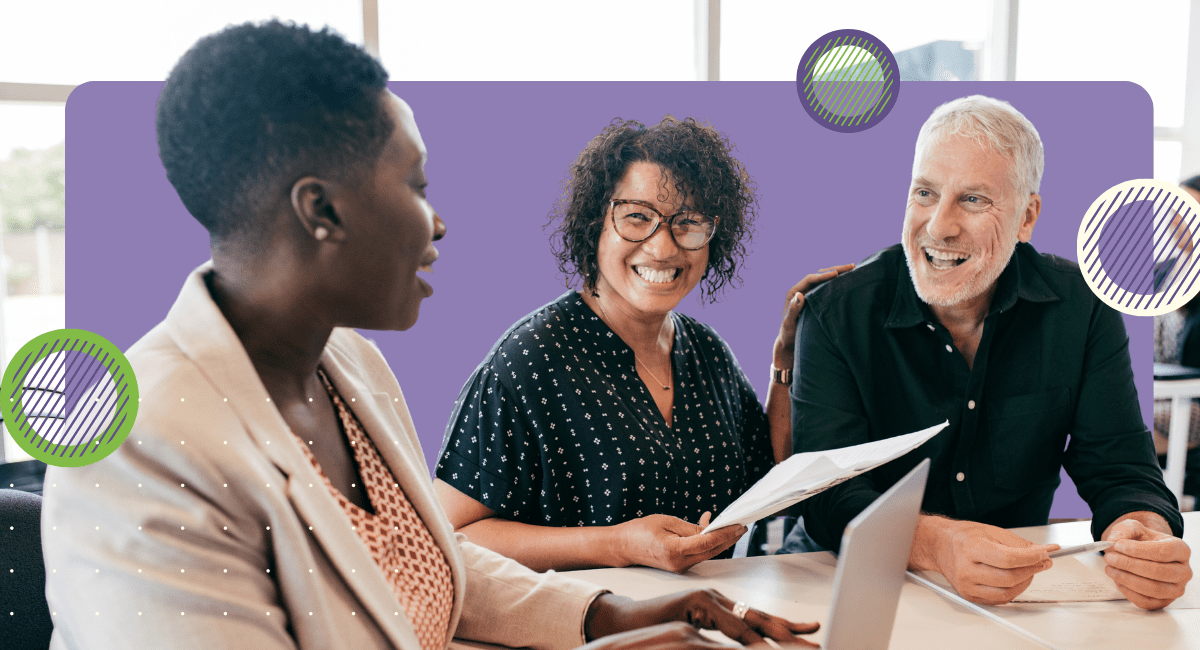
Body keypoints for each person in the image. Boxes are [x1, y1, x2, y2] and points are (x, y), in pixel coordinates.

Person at [39, 21, 821, 649]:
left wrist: (617, 616)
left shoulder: (352, 366)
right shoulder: (140, 444)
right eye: (414, 184)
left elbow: (431, 566)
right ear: (324, 211)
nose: (437, 220)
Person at [786, 94, 1193, 610]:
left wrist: (1143, 534)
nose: (938, 226)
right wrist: (939, 544)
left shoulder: (1082, 308)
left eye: (973, 200)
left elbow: (1121, 469)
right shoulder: (836, 315)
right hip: (845, 578)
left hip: (1010, 591)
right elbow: (829, 495)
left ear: (1027, 217)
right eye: (925, 193)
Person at [434, 116, 851, 572]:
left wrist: (786, 356)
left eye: (687, 223)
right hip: (587, 631)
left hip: (706, 622)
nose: (663, 247)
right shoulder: (529, 361)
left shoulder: (706, 352)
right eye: (638, 217)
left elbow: (771, 472)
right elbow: (454, 536)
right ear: (596, 222)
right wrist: (617, 544)